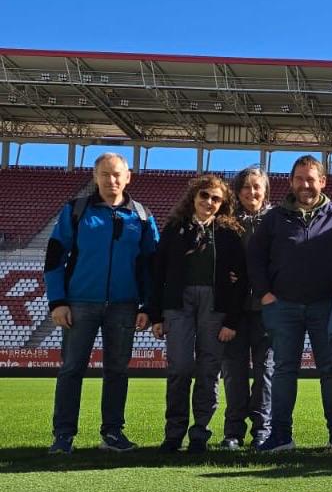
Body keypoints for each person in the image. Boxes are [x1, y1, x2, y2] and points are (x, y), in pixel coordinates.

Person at [247, 155, 332, 453]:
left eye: (311, 179)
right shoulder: (274, 218)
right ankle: (281, 436)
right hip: (283, 306)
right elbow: (255, 257)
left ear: (323, 182)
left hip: (326, 307)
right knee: (284, 370)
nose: (305, 185)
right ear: (290, 182)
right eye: (300, 179)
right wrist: (264, 293)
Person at [44, 152, 159, 454]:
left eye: (117, 174)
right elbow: (55, 257)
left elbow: (151, 265)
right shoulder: (76, 211)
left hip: (124, 305)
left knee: (118, 370)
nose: (112, 180)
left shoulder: (143, 217)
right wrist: (57, 301)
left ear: (128, 176)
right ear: (95, 177)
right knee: (71, 369)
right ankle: (63, 436)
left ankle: (112, 433)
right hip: (80, 302)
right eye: (105, 174)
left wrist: (148, 306)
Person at [150, 174, 247, 453]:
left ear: (223, 203)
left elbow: (241, 280)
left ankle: (199, 434)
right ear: (193, 197)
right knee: (179, 367)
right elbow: (158, 273)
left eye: (216, 198)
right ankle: (174, 433)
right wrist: (156, 315)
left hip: (215, 305)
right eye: (204, 195)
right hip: (178, 303)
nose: (209, 202)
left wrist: (231, 320)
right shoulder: (174, 228)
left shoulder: (230, 233)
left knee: (208, 371)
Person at [219, 166, 273, 450]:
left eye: (257, 186)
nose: (252, 192)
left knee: (265, 372)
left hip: (267, 311)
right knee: (234, 372)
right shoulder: (226, 223)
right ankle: (233, 431)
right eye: (246, 187)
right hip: (234, 311)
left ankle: (263, 430)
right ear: (237, 191)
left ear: (265, 190)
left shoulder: (277, 220)